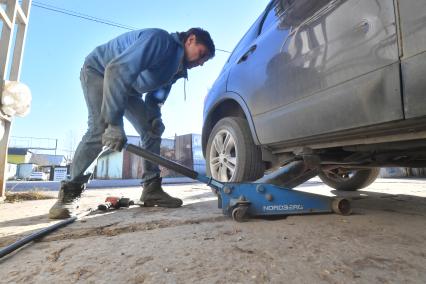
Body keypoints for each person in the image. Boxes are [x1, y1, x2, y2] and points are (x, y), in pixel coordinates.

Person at [49, 28, 215, 219]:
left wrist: (154, 118)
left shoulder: (176, 68)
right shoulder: (160, 41)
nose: (200, 63)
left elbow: (155, 97)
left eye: (204, 61)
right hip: (100, 71)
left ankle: (151, 189)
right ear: (190, 39)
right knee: (100, 128)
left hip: (127, 89)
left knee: (151, 130)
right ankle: (70, 192)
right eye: (201, 54)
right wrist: (114, 124)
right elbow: (116, 70)